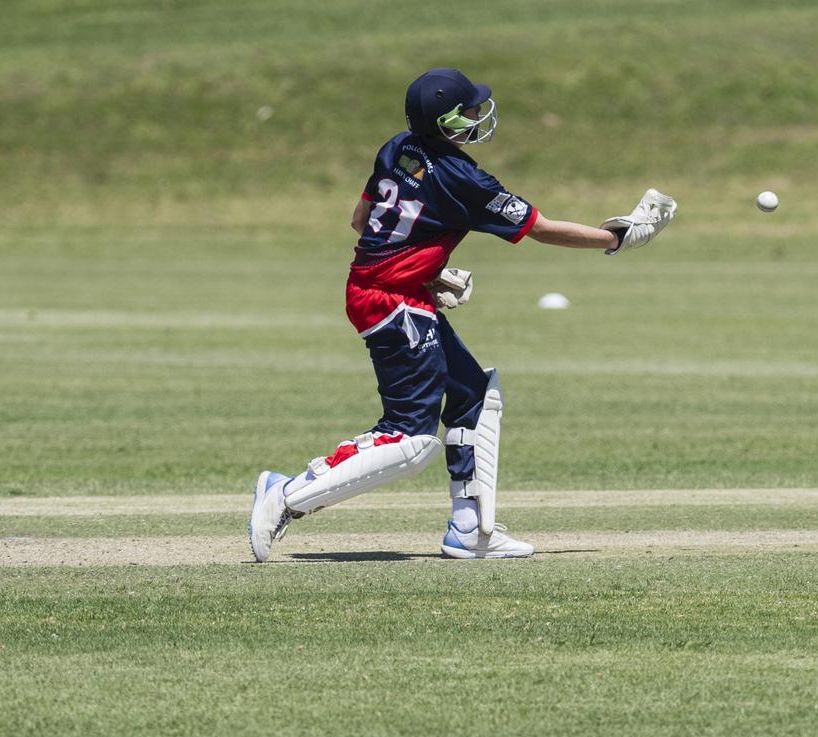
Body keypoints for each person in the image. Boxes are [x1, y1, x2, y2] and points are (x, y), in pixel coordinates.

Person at [249, 67, 676, 562]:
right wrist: (618, 238)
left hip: (387, 288)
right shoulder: (465, 178)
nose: (478, 115)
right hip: (390, 302)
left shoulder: (399, 147)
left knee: (474, 395)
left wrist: (423, 270)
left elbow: (361, 220)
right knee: (409, 437)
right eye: (471, 110)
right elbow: (540, 229)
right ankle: (285, 495)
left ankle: (472, 529)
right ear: (449, 118)